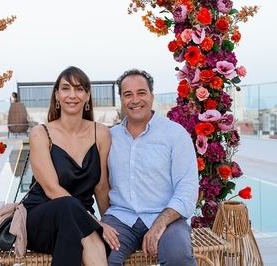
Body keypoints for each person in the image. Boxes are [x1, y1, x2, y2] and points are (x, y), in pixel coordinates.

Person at [101, 69, 199, 266]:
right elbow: (99, 183)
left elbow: (187, 188)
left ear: (152, 96)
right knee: (99, 254)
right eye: (128, 94)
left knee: (177, 254)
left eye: (141, 92)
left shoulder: (175, 134)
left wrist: (160, 223)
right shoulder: (109, 137)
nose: (135, 100)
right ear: (121, 99)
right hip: (121, 218)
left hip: (166, 217)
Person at [23, 66, 114, 266]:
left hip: (78, 223)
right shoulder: (40, 134)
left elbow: (101, 187)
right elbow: (51, 189)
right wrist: (95, 223)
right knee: (71, 210)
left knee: (82, 234)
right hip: (42, 219)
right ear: (57, 94)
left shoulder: (101, 133)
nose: (72, 95)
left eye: (79, 89)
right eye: (65, 88)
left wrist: (108, 222)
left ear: (87, 95)